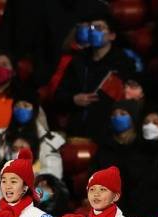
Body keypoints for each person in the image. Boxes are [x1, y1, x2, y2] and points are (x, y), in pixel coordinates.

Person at [53, 11, 141, 140]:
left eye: (99, 28)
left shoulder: (123, 64)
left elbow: (131, 99)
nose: (93, 31)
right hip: (77, 130)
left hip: (108, 132)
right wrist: (73, 99)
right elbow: (59, 95)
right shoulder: (78, 60)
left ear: (112, 35)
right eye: (91, 28)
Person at [0, 90, 65, 198]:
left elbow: (52, 175)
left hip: (34, 200)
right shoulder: (3, 137)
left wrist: (25, 195)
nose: (21, 109)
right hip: (0, 196)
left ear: (34, 110)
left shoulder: (48, 140)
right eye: (18, 106)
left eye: (26, 106)